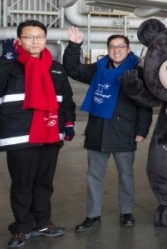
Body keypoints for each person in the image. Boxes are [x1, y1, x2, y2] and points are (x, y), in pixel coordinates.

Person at [0, 20, 76, 249]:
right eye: (29, 37)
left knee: (44, 182)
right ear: (19, 39)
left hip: (50, 133)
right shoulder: (10, 64)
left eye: (39, 36)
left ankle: (42, 223)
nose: (35, 41)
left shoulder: (56, 68)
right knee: (23, 184)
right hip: (20, 134)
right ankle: (22, 227)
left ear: (45, 39)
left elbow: (66, 99)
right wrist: (6, 59)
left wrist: (68, 123)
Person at [63, 26, 154, 233]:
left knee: (126, 175)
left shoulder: (138, 73)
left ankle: (126, 211)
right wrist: (74, 46)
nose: (116, 50)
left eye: (121, 46)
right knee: (94, 175)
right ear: (107, 49)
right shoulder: (98, 69)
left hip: (125, 131)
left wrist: (142, 130)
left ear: (128, 49)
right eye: (112, 47)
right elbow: (73, 69)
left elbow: (145, 104)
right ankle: (92, 215)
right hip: (98, 130)